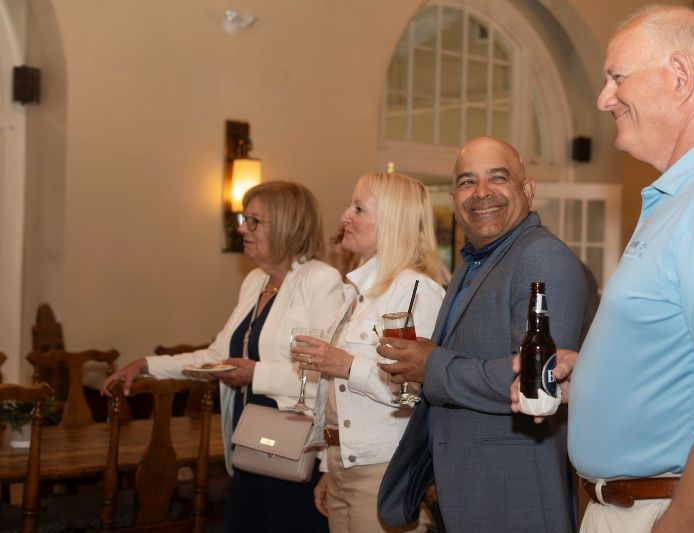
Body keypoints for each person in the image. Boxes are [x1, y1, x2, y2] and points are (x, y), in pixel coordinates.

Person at [515, 6, 694, 533]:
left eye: (616, 78)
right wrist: (599, 377)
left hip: (681, 513)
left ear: (680, 76)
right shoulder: (691, 195)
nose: (603, 99)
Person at [378, 137, 595, 532]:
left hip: (514, 492)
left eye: (498, 177)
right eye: (467, 181)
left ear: (527, 190)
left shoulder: (540, 256)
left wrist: (431, 365)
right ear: (453, 198)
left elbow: (538, 384)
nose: (481, 192)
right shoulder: (473, 263)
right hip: (467, 487)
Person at [103, 181, 344, 532]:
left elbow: (326, 374)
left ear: (287, 225)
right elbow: (217, 355)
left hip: (294, 448)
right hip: (249, 442)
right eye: (244, 219)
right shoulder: (255, 281)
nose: (242, 229)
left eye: (254, 221)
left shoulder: (320, 280)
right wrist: (146, 365)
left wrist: (255, 374)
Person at [289, 172, 447, 533]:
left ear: (391, 221)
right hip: (344, 463)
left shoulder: (416, 291)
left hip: (382, 468)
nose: (344, 216)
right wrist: (328, 467)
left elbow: (413, 392)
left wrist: (345, 365)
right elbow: (339, 399)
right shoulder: (358, 292)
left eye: (359, 208)